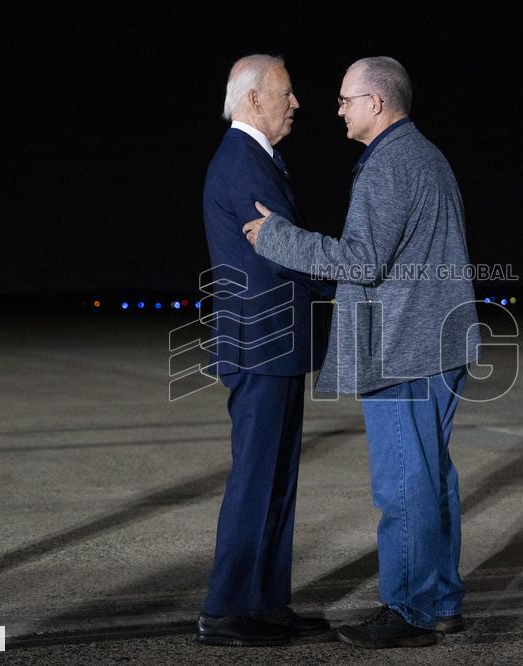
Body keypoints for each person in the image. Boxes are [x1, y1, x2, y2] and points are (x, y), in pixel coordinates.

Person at [243, 56, 480, 648]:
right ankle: (441, 601)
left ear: (377, 103)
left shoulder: (391, 163)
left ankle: (409, 612)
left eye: (346, 99)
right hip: (437, 342)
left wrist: (277, 238)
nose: (337, 109)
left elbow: (361, 261)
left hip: (405, 347)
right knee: (430, 479)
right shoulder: (425, 155)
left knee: (404, 485)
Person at [196, 54, 331, 647]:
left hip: (276, 343)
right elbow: (286, 249)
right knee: (256, 479)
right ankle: (226, 611)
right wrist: (354, 272)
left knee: (277, 480)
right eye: (287, 92)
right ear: (253, 99)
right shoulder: (242, 161)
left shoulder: (260, 158)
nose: (296, 103)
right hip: (260, 344)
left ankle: (268, 602)